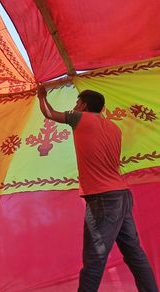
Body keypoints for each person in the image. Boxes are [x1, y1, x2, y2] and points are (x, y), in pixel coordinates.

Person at [37, 85, 158, 292]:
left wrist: (42, 96)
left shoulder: (79, 118)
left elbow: (49, 113)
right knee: (134, 254)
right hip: (122, 195)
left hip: (103, 198)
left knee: (94, 259)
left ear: (83, 104)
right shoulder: (114, 128)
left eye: (77, 102)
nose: (75, 106)